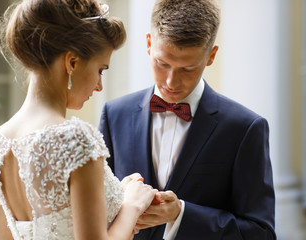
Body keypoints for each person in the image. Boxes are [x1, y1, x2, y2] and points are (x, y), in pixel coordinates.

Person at [99, 0, 276, 239]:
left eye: (188, 69)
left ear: (211, 56)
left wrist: (181, 214)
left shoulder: (245, 128)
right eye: (162, 64)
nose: (171, 82)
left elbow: (260, 233)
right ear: (149, 44)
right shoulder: (114, 115)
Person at [0, 0, 158, 239]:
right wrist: (131, 206)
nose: (99, 86)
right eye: (100, 70)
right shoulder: (75, 138)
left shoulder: (2, 140)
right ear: (72, 62)